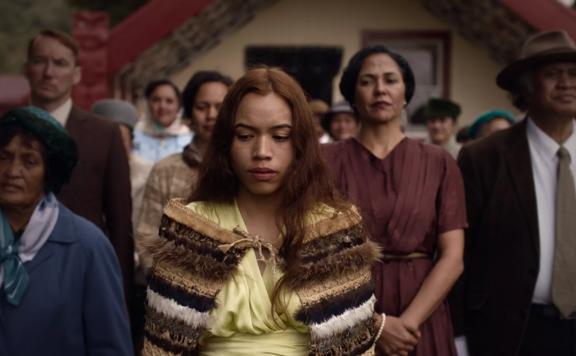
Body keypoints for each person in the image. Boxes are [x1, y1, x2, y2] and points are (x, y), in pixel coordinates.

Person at [141, 67, 382, 355]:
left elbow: (356, 347)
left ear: (301, 143)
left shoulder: (333, 228)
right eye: (245, 136)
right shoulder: (193, 225)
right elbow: (160, 347)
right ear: (226, 143)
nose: (262, 152)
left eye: (280, 136)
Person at [322, 46, 466, 356]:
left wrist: (406, 324)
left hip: (421, 317)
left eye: (390, 80)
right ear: (352, 95)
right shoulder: (324, 162)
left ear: (405, 93)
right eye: (367, 81)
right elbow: (308, 255)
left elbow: (453, 256)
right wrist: (375, 325)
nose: (380, 90)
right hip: (346, 314)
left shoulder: (439, 162)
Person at [453, 30, 576, 356]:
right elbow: (459, 252)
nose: (566, 83)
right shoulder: (484, 157)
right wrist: (459, 338)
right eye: (552, 74)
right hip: (511, 334)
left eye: (574, 74)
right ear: (526, 88)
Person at [0, 107, 133, 356]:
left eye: (30, 161)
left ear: (49, 173)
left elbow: (110, 346)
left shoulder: (86, 245)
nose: (12, 171)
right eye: (4, 157)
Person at [24, 29, 134, 309]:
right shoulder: (6, 130)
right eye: (40, 61)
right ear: (27, 68)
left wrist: (119, 296)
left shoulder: (104, 134)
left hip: (83, 279)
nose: (49, 72)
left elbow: (120, 223)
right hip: (13, 279)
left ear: (76, 74)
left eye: (60, 63)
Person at [136, 70, 233, 274]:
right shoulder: (166, 170)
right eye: (202, 107)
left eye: (220, 107)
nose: (211, 115)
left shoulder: (246, 170)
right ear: (188, 113)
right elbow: (147, 235)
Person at [92, 98, 151, 227]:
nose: (114, 147)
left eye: (120, 139)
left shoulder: (147, 173)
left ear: (131, 141)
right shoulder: (86, 170)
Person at [133, 79, 193, 164]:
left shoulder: (189, 140)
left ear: (178, 106)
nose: (162, 106)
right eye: (156, 100)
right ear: (148, 103)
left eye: (169, 101)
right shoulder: (134, 136)